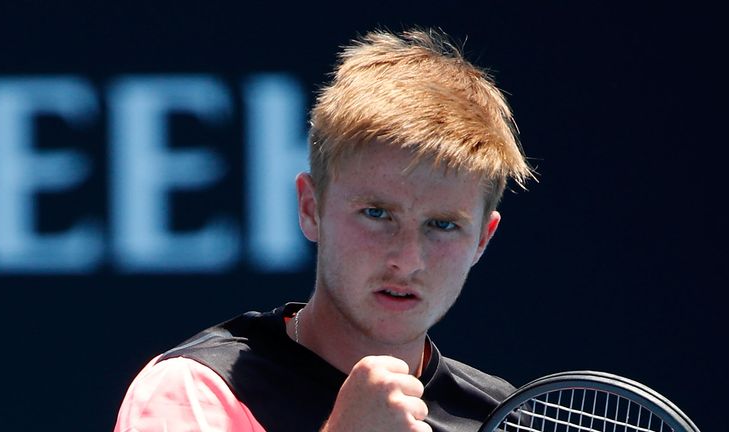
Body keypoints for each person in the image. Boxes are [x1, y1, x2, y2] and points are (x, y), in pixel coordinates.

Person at [114, 28, 533, 432]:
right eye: (376, 213)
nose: (407, 260)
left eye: (442, 225)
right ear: (311, 208)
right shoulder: (195, 391)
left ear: (482, 239)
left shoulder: (505, 419)